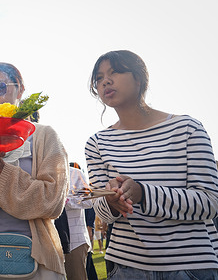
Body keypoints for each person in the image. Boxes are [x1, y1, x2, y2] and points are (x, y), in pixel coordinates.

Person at [85, 50, 218, 279]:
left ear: (139, 78)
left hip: (190, 266)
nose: (105, 80)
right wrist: (112, 200)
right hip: (126, 268)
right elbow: (103, 212)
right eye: (98, 78)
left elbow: (208, 202)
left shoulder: (187, 129)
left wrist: (142, 193)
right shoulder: (97, 143)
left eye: (115, 72)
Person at [0, 62, 68, 279]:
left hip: (36, 258)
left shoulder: (43, 136)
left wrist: (1, 170)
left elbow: (53, 200)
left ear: (20, 88)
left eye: (0, 87)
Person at [61, 162, 93, 280]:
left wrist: (67, 201)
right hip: (50, 241)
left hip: (75, 242)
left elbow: (89, 202)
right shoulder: (41, 173)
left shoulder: (75, 173)